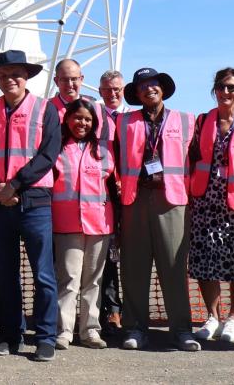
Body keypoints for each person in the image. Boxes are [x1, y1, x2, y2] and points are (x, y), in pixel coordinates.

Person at [0, 50, 60, 362]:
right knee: (5, 274)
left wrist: (15, 185)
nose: (9, 79)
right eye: (4, 73)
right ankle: (11, 336)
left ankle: (46, 337)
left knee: (43, 275)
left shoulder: (45, 109)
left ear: (27, 76)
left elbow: (48, 154)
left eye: (16, 74)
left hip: (34, 202)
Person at [116, 67, 199, 352]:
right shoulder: (122, 123)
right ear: (136, 94)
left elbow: (198, 160)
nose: (149, 89)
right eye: (142, 86)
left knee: (174, 268)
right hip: (135, 200)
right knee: (134, 268)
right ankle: (135, 328)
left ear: (162, 89)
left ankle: (182, 330)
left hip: (172, 201)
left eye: (154, 84)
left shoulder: (187, 121)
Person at [187, 68, 234, 344]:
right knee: (204, 262)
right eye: (222, 87)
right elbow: (191, 158)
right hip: (204, 200)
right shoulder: (202, 121)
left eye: (232, 87)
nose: (226, 92)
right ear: (214, 89)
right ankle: (213, 316)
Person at [51, 97, 114, 350]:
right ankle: (63, 331)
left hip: (98, 223)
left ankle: (90, 331)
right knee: (68, 279)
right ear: (67, 120)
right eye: (77, 118)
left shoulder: (104, 151)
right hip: (67, 223)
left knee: (93, 281)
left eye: (88, 119)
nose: (82, 123)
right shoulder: (57, 147)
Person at [95, 69, 126, 332]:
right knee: (107, 257)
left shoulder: (134, 118)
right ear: (99, 91)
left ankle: (136, 312)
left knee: (135, 256)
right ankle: (112, 309)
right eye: (107, 89)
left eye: (116, 88)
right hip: (105, 192)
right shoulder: (95, 118)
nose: (112, 93)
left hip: (133, 192)